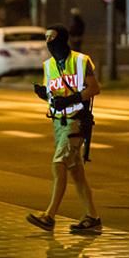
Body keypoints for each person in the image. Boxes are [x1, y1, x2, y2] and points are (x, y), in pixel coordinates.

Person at [26, 24, 102, 233]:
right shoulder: (48, 66)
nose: (50, 44)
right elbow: (54, 94)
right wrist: (45, 95)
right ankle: (92, 217)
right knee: (76, 172)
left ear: (63, 40)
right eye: (47, 40)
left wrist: (71, 100)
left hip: (76, 120)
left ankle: (49, 216)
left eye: (53, 39)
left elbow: (94, 88)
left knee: (58, 163)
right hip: (58, 123)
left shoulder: (80, 61)